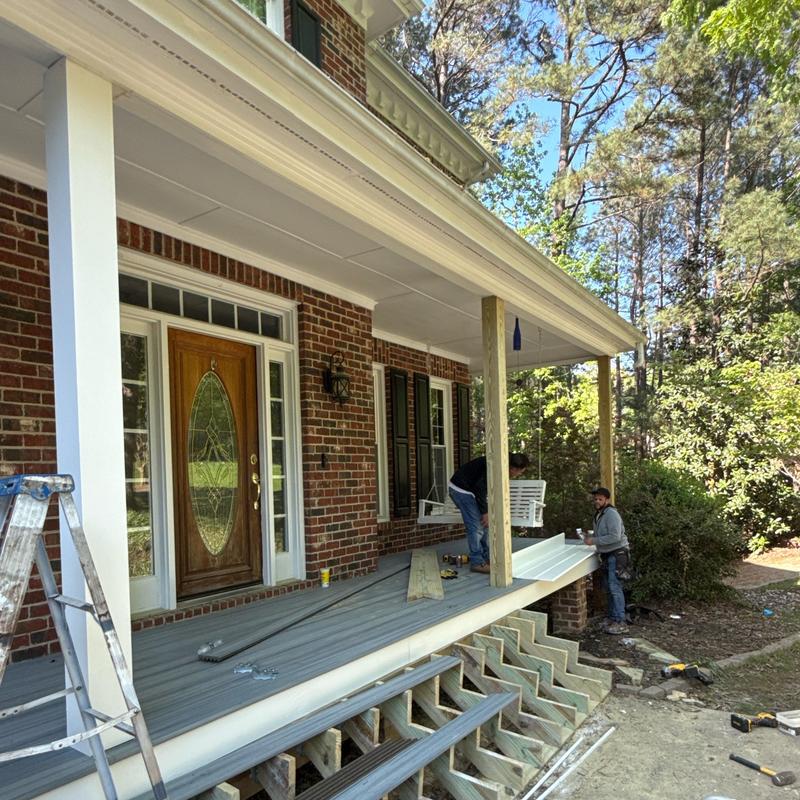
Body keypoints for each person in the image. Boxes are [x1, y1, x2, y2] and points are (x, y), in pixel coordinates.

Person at [448, 453, 530, 573]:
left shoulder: (503, 463)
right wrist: (485, 513)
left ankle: (486, 558)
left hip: (470, 490)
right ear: (513, 468)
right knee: (476, 527)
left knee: (484, 526)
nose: (518, 475)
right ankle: (477, 563)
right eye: (519, 472)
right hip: (461, 489)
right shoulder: (493, 466)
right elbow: (480, 489)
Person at [584, 487, 630, 634]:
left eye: (600, 499)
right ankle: (611, 618)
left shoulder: (611, 514)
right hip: (607, 555)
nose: (597, 501)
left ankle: (620, 622)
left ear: (607, 500)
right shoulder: (599, 514)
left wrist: (594, 540)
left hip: (617, 554)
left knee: (615, 587)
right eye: (595, 499)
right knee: (609, 589)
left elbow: (615, 536)